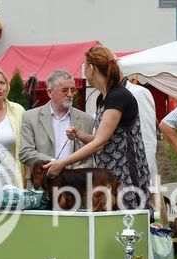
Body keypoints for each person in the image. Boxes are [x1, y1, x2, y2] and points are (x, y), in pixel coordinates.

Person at [44, 47, 151, 210]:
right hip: (108, 172)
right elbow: (106, 139)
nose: (83, 71)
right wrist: (80, 135)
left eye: (84, 66)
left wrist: (63, 162)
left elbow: (100, 142)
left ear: (91, 68)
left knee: (128, 217)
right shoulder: (103, 98)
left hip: (125, 171)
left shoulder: (118, 96)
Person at [19, 69, 95, 171]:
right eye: (65, 90)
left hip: (76, 179)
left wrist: (77, 172)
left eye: (72, 90)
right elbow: (25, 152)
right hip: (44, 178)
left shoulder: (87, 120)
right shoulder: (30, 117)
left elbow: (91, 157)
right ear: (50, 92)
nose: (70, 94)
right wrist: (54, 163)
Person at [122, 76, 168, 223]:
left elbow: (147, 133)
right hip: (122, 170)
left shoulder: (139, 93)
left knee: (154, 211)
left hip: (140, 164)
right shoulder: (106, 95)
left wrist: (145, 167)